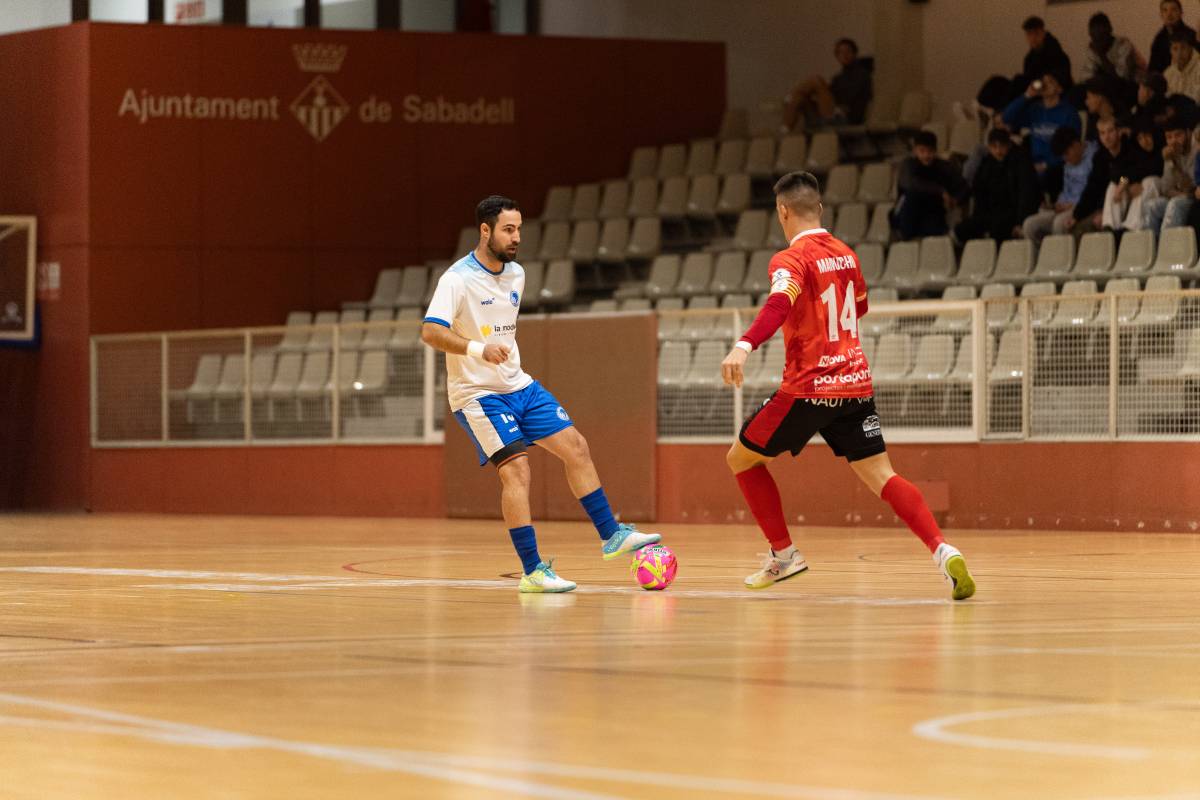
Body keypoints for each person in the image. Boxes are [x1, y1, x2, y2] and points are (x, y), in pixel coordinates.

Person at [717, 171, 975, 600]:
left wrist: (744, 345)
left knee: (740, 459)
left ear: (782, 211)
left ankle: (784, 556)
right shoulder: (847, 254)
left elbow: (780, 302)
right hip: (855, 384)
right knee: (882, 475)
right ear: (819, 208)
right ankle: (942, 550)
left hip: (808, 387)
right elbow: (860, 307)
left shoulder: (788, 259)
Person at [421, 195, 661, 593]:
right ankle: (533, 571)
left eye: (519, 229)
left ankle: (611, 536)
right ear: (485, 230)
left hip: (519, 385)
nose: (516, 237)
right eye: (508, 229)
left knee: (577, 447)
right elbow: (430, 331)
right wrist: (479, 350)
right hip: (478, 394)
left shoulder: (516, 274)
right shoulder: (456, 278)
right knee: (517, 471)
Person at [956, 129, 1040, 242]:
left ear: (1009, 145)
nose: (998, 151)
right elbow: (979, 191)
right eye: (994, 147)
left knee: (997, 231)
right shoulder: (987, 164)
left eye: (1001, 146)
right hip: (991, 213)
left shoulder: (1021, 161)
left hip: (1013, 213)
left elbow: (1026, 195)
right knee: (962, 230)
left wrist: (1020, 222)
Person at [1022, 127, 1098, 244]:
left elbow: (1097, 189)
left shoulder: (1096, 157)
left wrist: (1073, 206)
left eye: (1067, 153)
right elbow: (1067, 190)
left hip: (1083, 207)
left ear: (1076, 144)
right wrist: (1056, 205)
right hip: (1065, 207)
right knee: (1030, 225)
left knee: (1059, 224)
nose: (1065, 158)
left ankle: (1062, 260)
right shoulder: (1068, 163)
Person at [782, 38, 873, 131]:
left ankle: (789, 96)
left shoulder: (862, 74)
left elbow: (855, 99)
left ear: (854, 53)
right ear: (837, 56)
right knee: (798, 98)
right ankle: (784, 131)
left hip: (846, 117)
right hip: (831, 112)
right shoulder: (838, 78)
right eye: (840, 53)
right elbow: (829, 96)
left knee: (816, 80)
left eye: (848, 51)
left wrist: (841, 106)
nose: (844, 55)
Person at [892, 130, 969, 240]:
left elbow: (964, 187)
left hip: (933, 211)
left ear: (935, 151)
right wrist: (941, 191)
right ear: (915, 151)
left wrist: (954, 200)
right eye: (922, 151)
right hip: (908, 212)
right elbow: (912, 185)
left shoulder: (944, 167)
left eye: (930, 151)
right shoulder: (908, 164)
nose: (926, 155)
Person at [1003, 71, 1081, 174]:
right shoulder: (1035, 109)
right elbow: (1007, 117)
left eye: (1050, 82)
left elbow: (1074, 147)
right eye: (1043, 81)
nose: (1045, 85)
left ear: (1059, 89)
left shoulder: (1069, 113)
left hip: (1057, 167)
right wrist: (1027, 95)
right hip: (1033, 164)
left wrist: (1047, 164)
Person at [1102, 117, 1165, 231]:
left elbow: (1152, 168)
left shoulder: (1163, 149)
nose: (1145, 141)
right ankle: (1110, 228)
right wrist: (1125, 184)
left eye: (1147, 136)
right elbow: (1120, 174)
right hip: (1138, 189)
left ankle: (1130, 228)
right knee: (1113, 186)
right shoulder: (1137, 153)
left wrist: (1128, 181)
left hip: (1161, 189)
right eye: (1140, 138)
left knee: (1149, 181)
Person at [1143, 115, 1197, 232]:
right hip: (1181, 196)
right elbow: (1166, 189)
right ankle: (1150, 248)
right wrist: (1170, 161)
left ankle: (1167, 249)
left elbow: (1192, 187)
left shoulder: (1197, 150)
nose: (1173, 141)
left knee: (1175, 204)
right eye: (1169, 137)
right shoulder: (1170, 152)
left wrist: (1175, 166)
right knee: (1151, 206)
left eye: (1178, 135)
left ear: (1188, 133)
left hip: (1194, 199)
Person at [1083, 12, 1145, 87]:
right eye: (1094, 37)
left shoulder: (1123, 45)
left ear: (1110, 30)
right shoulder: (1093, 48)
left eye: (1101, 37)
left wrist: (1101, 55)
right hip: (1107, 86)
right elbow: (1087, 77)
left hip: (1133, 85)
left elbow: (1121, 78)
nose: (1097, 41)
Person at [1021, 16, 1073, 92]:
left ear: (1043, 33)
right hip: (1035, 95)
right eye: (1029, 34)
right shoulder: (1029, 59)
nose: (1033, 37)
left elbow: (1059, 81)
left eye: (1036, 33)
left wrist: (1036, 85)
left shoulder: (1058, 56)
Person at [1150, 0, 1194, 75]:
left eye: (1174, 10)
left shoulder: (1191, 36)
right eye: (1165, 10)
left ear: (1181, 13)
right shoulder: (1159, 38)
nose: (1169, 14)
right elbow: (1153, 67)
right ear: (1161, 15)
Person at [1165, 28, 1200, 102]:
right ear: (1170, 51)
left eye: (1183, 48)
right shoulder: (1168, 74)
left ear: (1190, 49)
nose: (1179, 53)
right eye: (1175, 48)